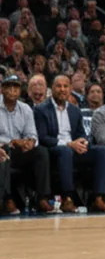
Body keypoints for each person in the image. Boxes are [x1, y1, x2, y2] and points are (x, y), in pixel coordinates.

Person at [34, 74, 105, 213]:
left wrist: (82, 142)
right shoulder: (41, 109)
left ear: (70, 89)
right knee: (65, 151)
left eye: (65, 86)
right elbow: (42, 137)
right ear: (52, 88)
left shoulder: (74, 110)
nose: (62, 89)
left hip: (74, 149)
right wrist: (68, 144)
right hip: (54, 150)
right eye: (59, 86)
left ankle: (98, 197)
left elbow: (81, 133)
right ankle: (67, 198)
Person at [0, 73, 53, 212]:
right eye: (8, 87)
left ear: (20, 91)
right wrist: (12, 142)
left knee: (41, 152)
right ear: (2, 89)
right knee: (5, 150)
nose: (12, 90)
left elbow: (32, 134)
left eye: (16, 87)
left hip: (20, 152)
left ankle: (42, 198)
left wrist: (30, 142)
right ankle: (7, 199)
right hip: (4, 149)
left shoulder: (26, 109)